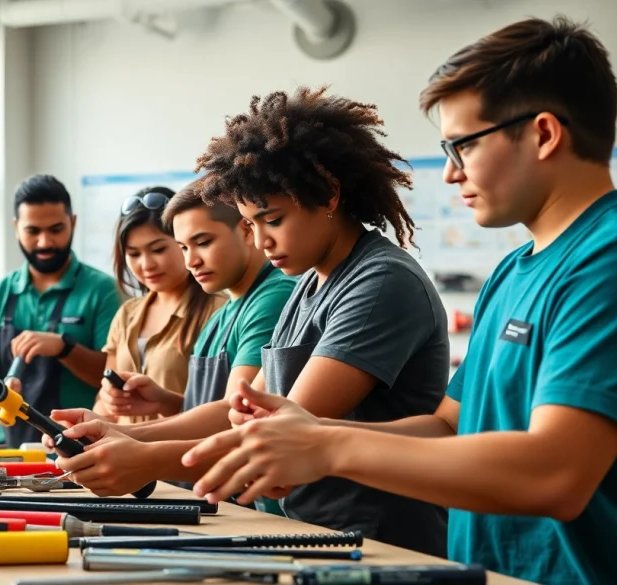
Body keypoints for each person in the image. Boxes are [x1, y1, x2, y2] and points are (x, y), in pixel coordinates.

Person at [181, 17, 617, 585]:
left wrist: (328, 447)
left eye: (463, 145)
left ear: (544, 134)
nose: (449, 173)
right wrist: (303, 439)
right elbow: (449, 427)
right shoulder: (516, 270)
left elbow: (556, 475)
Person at [56, 89, 451, 556]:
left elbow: (281, 437)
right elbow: (238, 410)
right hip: (309, 531)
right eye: (250, 223)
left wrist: (143, 459)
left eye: (272, 220)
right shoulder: (309, 284)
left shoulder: (381, 281)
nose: (261, 241)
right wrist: (120, 433)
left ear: (327, 196)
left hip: (377, 540)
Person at [48, 178, 296, 513]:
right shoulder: (227, 312)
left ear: (246, 230)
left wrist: (121, 438)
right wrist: (162, 402)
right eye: (183, 247)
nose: (191, 260)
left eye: (202, 242)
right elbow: (212, 406)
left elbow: (233, 414)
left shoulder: (271, 297)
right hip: (212, 498)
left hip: (250, 504)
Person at [0, 174, 122, 446]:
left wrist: (64, 348)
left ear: (73, 223)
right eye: (33, 231)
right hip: (2, 451)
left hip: (77, 447)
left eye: (56, 229)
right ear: (16, 227)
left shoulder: (103, 291)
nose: (45, 242)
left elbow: (111, 375)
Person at [96, 186, 225, 423]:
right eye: (134, 254)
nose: (146, 264)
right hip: (123, 455)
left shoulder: (219, 311)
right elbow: (105, 408)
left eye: (158, 249)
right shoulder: (127, 313)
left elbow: (222, 411)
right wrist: (97, 410)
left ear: (184, 242)